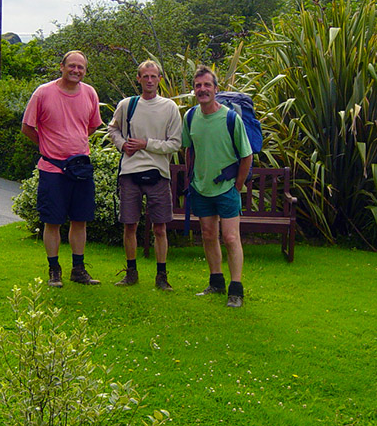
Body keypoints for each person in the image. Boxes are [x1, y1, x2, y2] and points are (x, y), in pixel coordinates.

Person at [21, 50, 103, 287]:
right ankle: (54, 270)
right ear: (62, 67)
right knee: (52, 221)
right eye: (72, 66)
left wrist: (74, 146)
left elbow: (92, 126)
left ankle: (78, 269)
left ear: (85, 71)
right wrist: (47, 145)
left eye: (81, 67)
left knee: (80, 220)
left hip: (80, 169)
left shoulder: (90, 93)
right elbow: (27, 127)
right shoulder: (43, 93)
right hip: (52, 169)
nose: (76, 70)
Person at [108, 60, 182, 290]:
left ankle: (161, 276)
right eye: (145, 76)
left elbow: (175, 143)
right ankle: (131, 272)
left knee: (160, 227)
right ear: (138, 79)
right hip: (130, 172)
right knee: (129, 225)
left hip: (158, 174)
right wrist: (122, 145)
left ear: (160, 79)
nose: (149, 80)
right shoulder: (126, 105)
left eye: (154, 76)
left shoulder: (170, 107)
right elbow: (113, 128)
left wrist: (146, 144)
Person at [182, 65, 252, 308]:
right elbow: (188, 148)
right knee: (209, 235)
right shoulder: (190, 117)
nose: (202, 89)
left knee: (231, 237)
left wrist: (238, 186)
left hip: (227, 189)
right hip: (200, 189)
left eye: (207, 85)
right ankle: (216, 282)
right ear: (194, 90)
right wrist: (191, 179)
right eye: (198, 85)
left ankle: (236, 290)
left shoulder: (231, 118)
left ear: (216, 89)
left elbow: (246, 156)